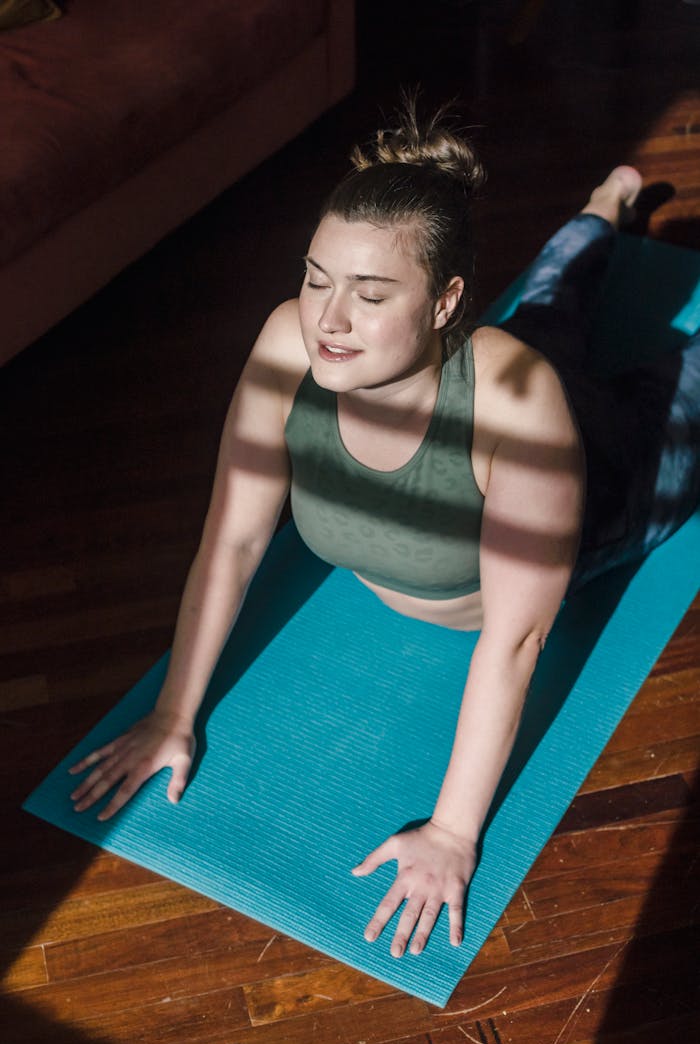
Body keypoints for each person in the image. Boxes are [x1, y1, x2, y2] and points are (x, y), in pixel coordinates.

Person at [68, 101, 700, 960]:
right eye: (315, 279)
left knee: (643, 372)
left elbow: (516, 639)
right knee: (550, 302)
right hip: (497, 382)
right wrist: (172, 713)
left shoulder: (515, 403)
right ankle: (606, 205)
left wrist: (452, 833)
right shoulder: (290, 345)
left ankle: (607, 226)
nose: (328, 319)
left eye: (368, 295)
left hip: (610, 472)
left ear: (444, 302)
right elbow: (234, 540)